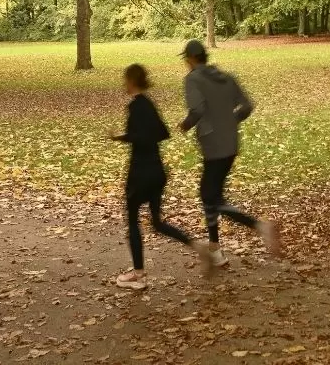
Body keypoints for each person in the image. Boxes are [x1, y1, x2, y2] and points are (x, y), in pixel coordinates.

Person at [178, 40, 280, 268]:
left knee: (211, 197)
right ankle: (215, 249)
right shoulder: (225, 77)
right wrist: (230, 122)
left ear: (191, 59)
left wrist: (186, 124)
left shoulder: (193, 79)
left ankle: (259, 227)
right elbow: (247, 106)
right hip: (230, 145)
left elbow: (197, 110)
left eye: (186, 59)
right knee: (211, 194)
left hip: (213, 145)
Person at [112, 63, 210, 290]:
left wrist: (124, 136)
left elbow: (141, 137)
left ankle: (138, 275)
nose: (124, 84)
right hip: (157, 172)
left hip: (141, 173)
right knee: (157, 222)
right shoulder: (149, 104)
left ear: (132, 81)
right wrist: (129, 136)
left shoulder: (136, 107)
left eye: (126, 80)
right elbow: (162, 132)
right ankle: (197, 247)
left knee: (133, 221)